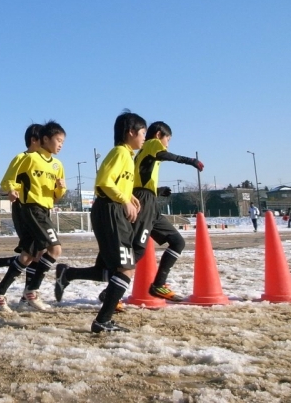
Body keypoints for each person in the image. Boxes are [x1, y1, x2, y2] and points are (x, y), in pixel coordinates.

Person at [55, 120, 201, 305]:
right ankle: (113, 293)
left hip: (146, 200)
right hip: (142, 203)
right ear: (158, 135)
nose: (167, 144)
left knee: (176, 242)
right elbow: (164, 156)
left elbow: (139, 182)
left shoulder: (137, 154)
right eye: (168, 139)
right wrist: (190, 161)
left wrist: (157, 191)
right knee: (133, 253)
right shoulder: (151, 143)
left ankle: (72, 275)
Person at [0, 121, 66, 312]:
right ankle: (31, 291)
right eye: (58, 140)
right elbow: (7, 180)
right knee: (54, 249)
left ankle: (0, 292)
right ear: (42, 139)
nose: (61, 145)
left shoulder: (57, 165)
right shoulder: (27, 158)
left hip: (45, 210)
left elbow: (57, 196)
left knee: (30, 255)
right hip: (30, 209)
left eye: (62, 141)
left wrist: (60, 188)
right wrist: (11, 190)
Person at [88, 111, 146, 333]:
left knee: (119, 267)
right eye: (142, 133)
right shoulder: (120, 152)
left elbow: (115, 183)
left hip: (112, 209)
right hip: (109, 210)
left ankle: (103, 318)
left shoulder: (127, 155)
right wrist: (124, 200)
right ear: (130, 132)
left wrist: (129, 197)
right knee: (125, 268)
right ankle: (102, 321)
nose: (144, 137)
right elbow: (104, 182)